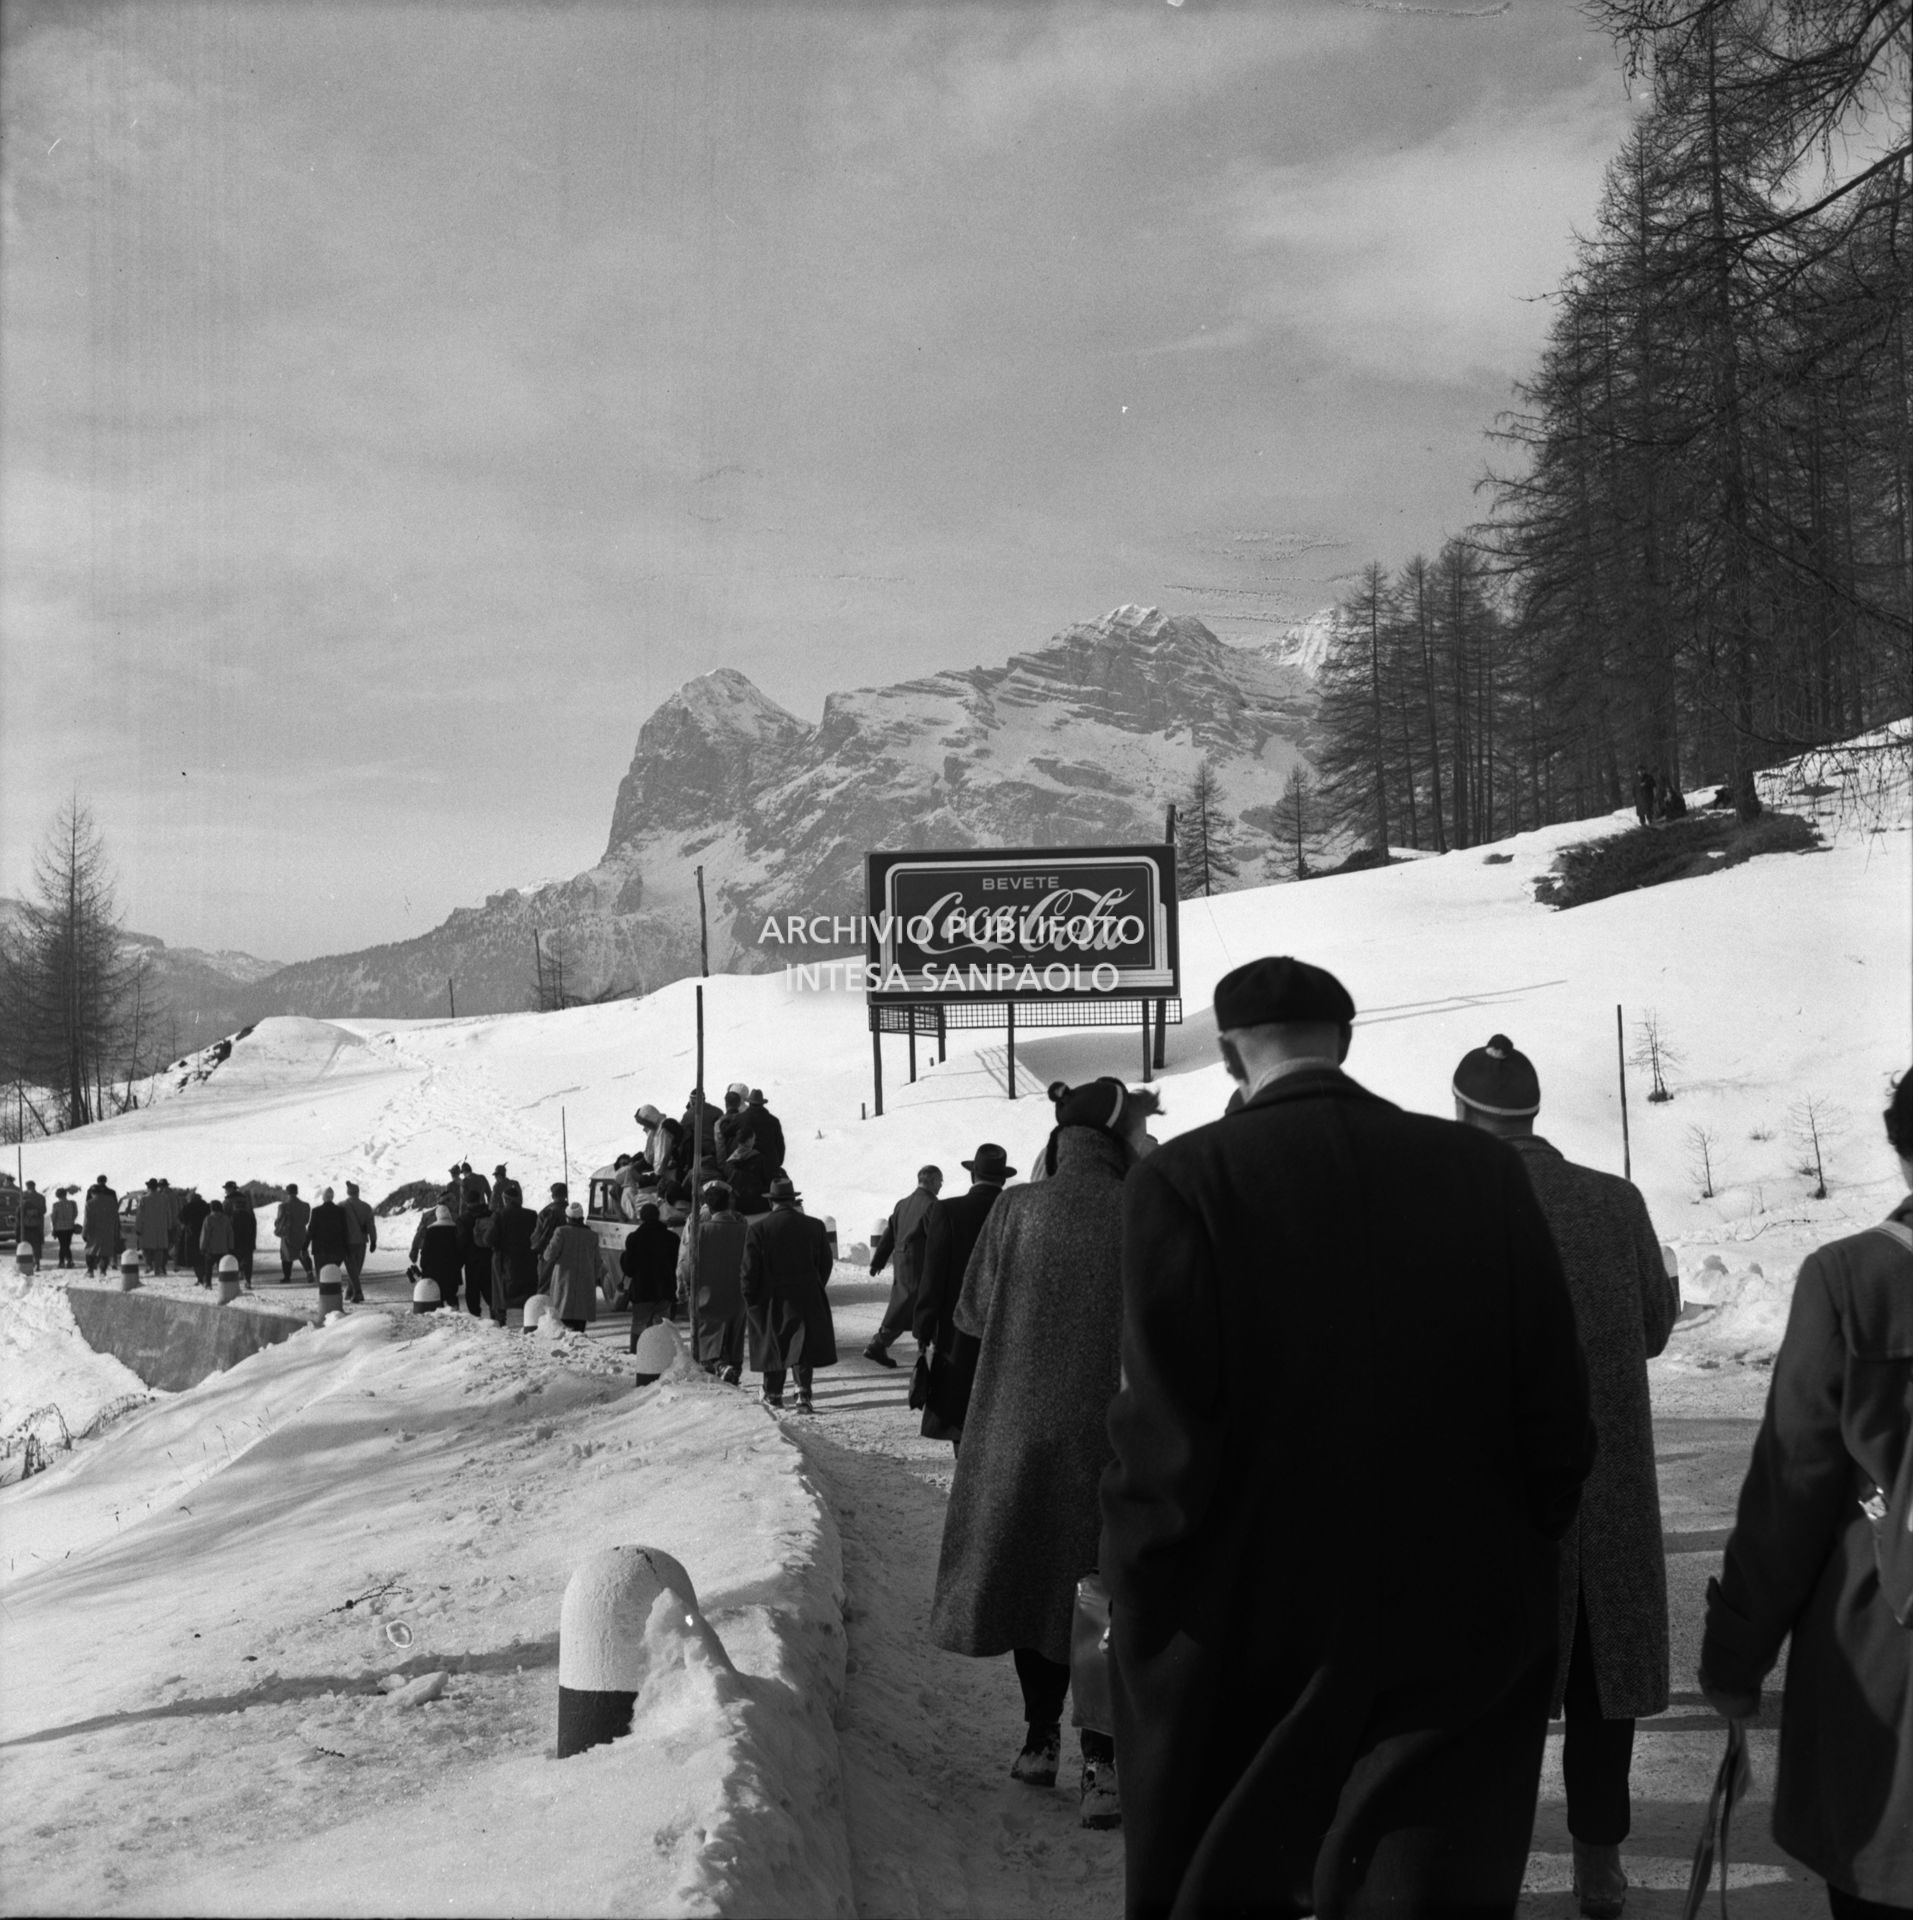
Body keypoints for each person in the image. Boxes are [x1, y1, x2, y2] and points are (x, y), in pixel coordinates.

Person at [1101, 955, 1593, 1920]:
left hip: (1252, 1600)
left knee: (1236, 1869)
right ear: (1345, 1041)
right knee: (1425, 1878)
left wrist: (1141, 1576)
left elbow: (1161, 1423)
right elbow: (1553, 1395)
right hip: (1463, 1583)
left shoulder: (1183, 1178)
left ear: (1235, 1055)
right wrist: (1525, 1534)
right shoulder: (1480, 1170)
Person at [1453, 1034, 1679, 1920]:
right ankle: (1599, 1863)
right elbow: (1654, 1327)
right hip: (1606, 1475)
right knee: (1599, 1675)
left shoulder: (1447, 1202)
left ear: (1463, 1111)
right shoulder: (1613, 1200)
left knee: (1492, 1682)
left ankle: (1495, 1857)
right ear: (1534, 1111)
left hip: (1491, 1488)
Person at [1699, 1070, 1913, 1917]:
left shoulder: (1853, 1279)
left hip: (1886, 1667)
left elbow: (1790, 1489)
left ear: (1901, 1155)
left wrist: (1735, 1661)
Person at [931, 1080, 1150, 1830]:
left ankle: (1035, 1741)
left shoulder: (1015, 1208)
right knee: (1095, 1591)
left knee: (1032, 1582)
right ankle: (1102, 1764)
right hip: (1113, 1433)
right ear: (1120, 1141)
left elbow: (969, 1312)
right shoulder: (1142, 1210)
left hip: (1019, 1431)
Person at [913, 1144, 1015, 1447]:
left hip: (957, 1325)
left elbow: (933, 1274)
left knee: (960, 1403)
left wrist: (924, 1325)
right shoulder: (1018, 1210)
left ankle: (965, 1465)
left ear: (973, 1175)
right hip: (1008, 1324)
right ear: (1003, 1179)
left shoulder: (947, 1210)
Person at [740, 1174, 835, 1412]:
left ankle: (773, 1393)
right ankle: (803, 1393)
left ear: (771, 1202)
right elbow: (825, 1263)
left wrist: (751, 1297)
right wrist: (815, 1284)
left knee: (774, 1343)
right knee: (801, 1344)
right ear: (792, 1200)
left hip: (771, 1295)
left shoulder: (758, 1229)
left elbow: (749, 1269)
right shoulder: (815, 1226)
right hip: (806, 1292)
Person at [865, 1166, 942, 1367]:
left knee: (904, 1305)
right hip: (921, 1264)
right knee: (922, 1306)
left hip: (902, 1263)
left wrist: (878, 1261)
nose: (941, 1185)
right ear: (932, 1181)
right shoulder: (932, 1205)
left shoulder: (903, 1203)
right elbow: (937, 1239)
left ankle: (880, 1345)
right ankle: (924, 1354)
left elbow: (889, 1234)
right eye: (940, 1181)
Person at [679, 1180, 749, 1381]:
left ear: (708, 1205)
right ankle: (732, 1367)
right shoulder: (744, 1228)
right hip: (738, 1294)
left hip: (706, 1294)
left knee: (708, 1340)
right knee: (734, 1337)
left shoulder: (699, 1230)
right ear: (729, 1203)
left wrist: (685, 1285)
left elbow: (686, 1264)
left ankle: (719, 1366)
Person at [622, 1202, 681, 1347]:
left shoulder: (634, 1238)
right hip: (665, 1290)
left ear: (641, 1217)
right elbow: (677, 1265)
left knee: (639, 1325)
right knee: (661, 1326)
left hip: (642, 1291)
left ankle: (637, 1356)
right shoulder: (672, 1238)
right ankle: (659, 1357)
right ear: (658, 1216)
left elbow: (629, 1269)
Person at [538, 1200, 600, 1332]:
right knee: (580, 1324)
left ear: (567, 1217)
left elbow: (549, 1255)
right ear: (582, 1218)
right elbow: (597, 1262)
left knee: (563, 1320)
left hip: (564, 1281)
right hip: (585, 1283)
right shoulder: (592, 1236)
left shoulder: (561, 1232)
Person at [489, 1183, 539, 1325]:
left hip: (505, 1262)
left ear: (506, 1200)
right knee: (527, 1293)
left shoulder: (499, 1215)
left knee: (501, 1293)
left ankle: (500, 1320)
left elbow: (489, 1239)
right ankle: (531, 1320)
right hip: (528, 1262)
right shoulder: (531, 1215)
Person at [417, 1205, 464, 1310]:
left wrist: (423, 1267)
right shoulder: (455, 1229)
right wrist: (458, 1265)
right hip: (452, 1272)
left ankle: (441, 1319)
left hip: (434, 1272)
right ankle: (456, 1315)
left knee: (438, 1298)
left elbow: (426, 1252)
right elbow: (460, 1250)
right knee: (451, 1296)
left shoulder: (431, 1231)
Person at [341, 1181, 377, 1303]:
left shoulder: (341, 1205)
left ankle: (358, 1292)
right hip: (362, 1241)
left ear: (348, 1192)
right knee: (356, 1268)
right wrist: (373, 1240)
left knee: (351, 1268)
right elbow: (371, 1225)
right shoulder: (366, 1207)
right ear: (358, 1192)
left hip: (347, 1241)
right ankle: (350, 1291)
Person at [459, 1190, 494, 1316]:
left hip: (472, 1260)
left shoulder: (464, 1218)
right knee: (490, 1289)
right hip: (489, 1258)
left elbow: (461, 1242)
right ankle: (497, 1317)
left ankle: (476, 1317)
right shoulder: (490, 1214)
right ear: (480, 1199)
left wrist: (459, 1262)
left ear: (466, 1202)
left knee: (473, 1292)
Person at [308, 1187, 350, 1287]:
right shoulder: (341, 1211)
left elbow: (311, 1230)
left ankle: (324, 1296)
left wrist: (304, 1246)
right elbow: (345, 1230)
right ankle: (334, 1293)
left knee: (322, 1276)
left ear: (323, 1197)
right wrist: (346, 1248)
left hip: (320, 1250)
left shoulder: (316, 1211)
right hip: (337, 1249)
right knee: (333, 1275)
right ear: (332, 1197)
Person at [724, 1133, 774, 1216]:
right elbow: (768, 1180)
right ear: (748, 1141)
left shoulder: (729, 1163)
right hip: (759, 1205)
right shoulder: (760, 1158)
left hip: (738, 1207)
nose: (754, 1141)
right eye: (753, 1139)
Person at [274, 1183, 314, 1284]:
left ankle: (287, 1277)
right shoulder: (305, 1205)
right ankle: (309, 1272)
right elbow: (306, 1220)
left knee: (286, 1256)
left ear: (287, 1192)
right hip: (301, 1234)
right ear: (297, 1191)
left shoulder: (283, 1206)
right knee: (303, 1254)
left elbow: (279, 1221)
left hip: (288, 1234)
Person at [83, 1176, 120, 1276]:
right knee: (105, 1251)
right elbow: (116, 1216)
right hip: (108, 1229)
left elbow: (87, 1220)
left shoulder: (89, 1203)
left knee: (90, 1250)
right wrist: (116, 1230)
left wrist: (84, 1233)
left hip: (94, 1230)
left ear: (93, 1193)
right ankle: (103, 1271)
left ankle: (90, 1270)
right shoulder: (112, 1201)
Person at [225, 1182, 257, 1287]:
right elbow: (253, 1218)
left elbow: (224, 1219)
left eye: (227, 1188)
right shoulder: (246, 1199)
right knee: (247, 1258)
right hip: (248, 1234)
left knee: (234, 1257)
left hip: (234, 1235)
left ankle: (236, 1278)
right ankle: (247, 1280)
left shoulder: (227, 1201)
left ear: (231, 1189)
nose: (225, 1190)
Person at [746, 1089, 786, 1174]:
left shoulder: (742, 1119)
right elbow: (780, 1145)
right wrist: (777, 1164)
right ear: (762, 1104)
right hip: (770, 1165)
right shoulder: (773, 1120)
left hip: (748, 1167)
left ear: (749, 1103)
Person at [177, 1186, 211, 1284]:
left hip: (192, 1234)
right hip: (205, 1233)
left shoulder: (189, 1206)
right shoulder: (206, 1206)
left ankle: (200, 1278)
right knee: (204, 1256)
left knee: (195, 1258)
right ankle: (205, 1276)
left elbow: (181, 1218)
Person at [137, 1178, 171, 1275]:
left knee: (145, 1248)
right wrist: (168, 1225)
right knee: (159, 1249)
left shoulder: (144, 1199)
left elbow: (140, 1215)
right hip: (161, 1227)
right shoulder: (164, 1198)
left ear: (148, 1187)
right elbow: (168, 1213)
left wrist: (138, 1228)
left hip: (147, 1228)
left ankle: (149, 1265)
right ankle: (158, 1268)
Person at [198, 1194, 234, 1285]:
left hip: (211, 1248)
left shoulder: (208, 1219)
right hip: (223, 1248)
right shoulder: (226, 1219)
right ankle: (222, 1283)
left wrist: (202, 1247)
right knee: (221, 1267)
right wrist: (230, 1246)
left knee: (208, 1267)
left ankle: (208, 1283)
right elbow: (230, 1233)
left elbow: (205, 1234)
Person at [531, 1182, 568, 1260]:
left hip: (548, 1253)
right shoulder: (572, 1212)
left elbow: (539, 1233)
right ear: (566, 1195)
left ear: (552, 1195)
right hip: (567, 1253)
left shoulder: (547, 1212)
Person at [48, 1187, 76, 1268]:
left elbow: (53, 1217)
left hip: (59, 1228)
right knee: (66, 1244)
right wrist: (70, 1220)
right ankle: (68, 1261)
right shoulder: (72, 1203)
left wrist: (53, 1227)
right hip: (70, 1227)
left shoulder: (56, 1205)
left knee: (63, 1245)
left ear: (57, 1196)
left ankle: (63, 1262)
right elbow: (75, 1214)